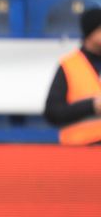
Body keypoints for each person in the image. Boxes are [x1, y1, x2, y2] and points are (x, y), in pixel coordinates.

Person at [43, 8, 101, 146]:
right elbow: (52, 113)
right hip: (79, 149)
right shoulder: (69, 65)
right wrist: (92, 106)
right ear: (91, 32)